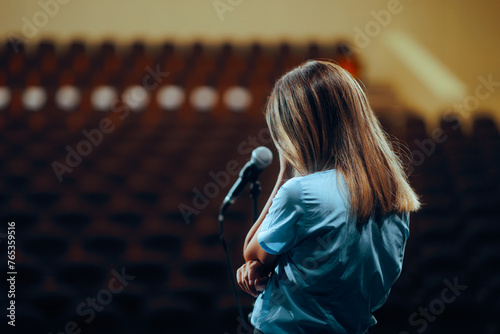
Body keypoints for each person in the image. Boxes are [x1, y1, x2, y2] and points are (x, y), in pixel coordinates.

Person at [236, 60, 420, 333]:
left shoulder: (299, 192)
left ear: (297, 130)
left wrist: (285, 173)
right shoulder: (394, 195)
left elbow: (252, 251)